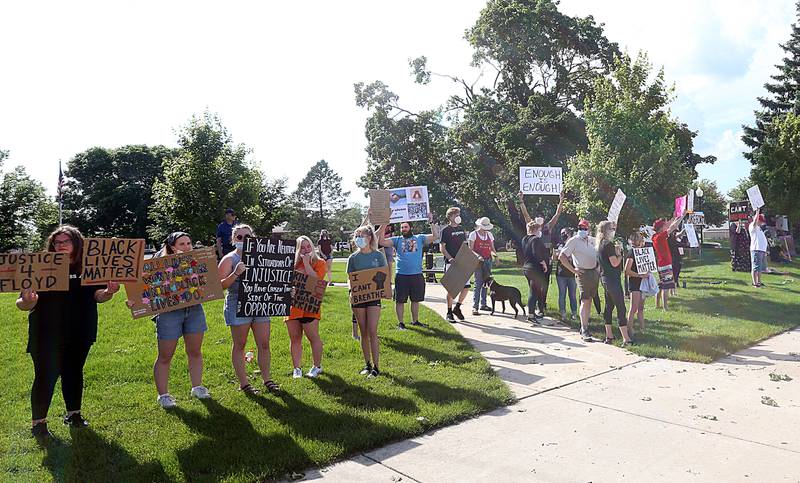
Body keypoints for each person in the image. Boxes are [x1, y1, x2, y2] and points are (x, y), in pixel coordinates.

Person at [16, 226, 120, 438]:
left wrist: (109, 292)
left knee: (74, 372)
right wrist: (28, 301)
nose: (61, 245)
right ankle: (39, 424)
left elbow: (98, 296)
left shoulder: (90, 266)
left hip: (81, 329)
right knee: (45, 375)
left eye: (67, 241)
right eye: (57, 242)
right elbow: (22, 303)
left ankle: (74, 414)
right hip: (45, 332)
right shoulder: (40, 266)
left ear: (77, 243)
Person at [151, 232, 211, 409]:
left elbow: (207, 283)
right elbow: (147, 287)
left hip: (194, 310)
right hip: (169, 313)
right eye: (182, 244)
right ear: (171, 247)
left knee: (195, 351)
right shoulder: (158, 264)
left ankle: (197, 387)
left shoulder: (196, 261)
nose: (187, 247)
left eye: (189, 243)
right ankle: (163, 395)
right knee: (165, 356)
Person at [218, 224, 279, 394]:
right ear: (233, 240)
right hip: (237, 303)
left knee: (264, 343)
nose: (244, 240)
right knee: (240, 344)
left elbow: (274, 278)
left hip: (260, 302)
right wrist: (236, 273)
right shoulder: (229, 259)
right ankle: (244, 383)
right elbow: (219, 286)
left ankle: (268, 380)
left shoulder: (263, 256)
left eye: (247, 236)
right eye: (239, 237)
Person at [378, 215, 440, 330]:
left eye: (405, 227)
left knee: (416, 300)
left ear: (411, 228)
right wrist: (384, 225)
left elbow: (436, 236)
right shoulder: (397, 239)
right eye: (402, 228)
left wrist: (431, 221)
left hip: (416, 275)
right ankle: (401, 323)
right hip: (401, 275)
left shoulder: (420, 238)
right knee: (400, 301)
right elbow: (381, 241)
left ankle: (415, 321)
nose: (403, 229)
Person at [347, 225, 388, 378]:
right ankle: (367, 364)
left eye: (361, 235)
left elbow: (384, 275)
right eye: (357, 235)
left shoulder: (378, 256)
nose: (359, 238)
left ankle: (377, 366)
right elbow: (350, 278)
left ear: (369, 238)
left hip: (373, 298)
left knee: (372, 331)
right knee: (363, 332)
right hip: (358, 298)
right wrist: (351, 291)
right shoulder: (353, 258)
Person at [286, 235, 328, 378]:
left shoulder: (320, 262)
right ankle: (297, 368)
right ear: (297, 249)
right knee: (295, 338)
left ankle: (317, 366)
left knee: (313, 337)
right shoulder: (292, 264)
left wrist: (306, 263)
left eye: (308, 246)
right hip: (293, 306)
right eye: (302, 247)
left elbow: (315, 280)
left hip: (310, 305)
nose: (305, 249)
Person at [518, 191, 565, 310]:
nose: (539, 219)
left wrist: (561, 201)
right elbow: (525, 214)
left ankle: (542, 304)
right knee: (534, 285)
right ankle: (535, 304)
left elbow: (557, 215)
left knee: (544, 284)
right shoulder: (532, 227)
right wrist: (521, 201)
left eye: (541, 217)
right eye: (537, 217)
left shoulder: (548, 228)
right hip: (534, 262)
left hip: (546, 261)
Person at [558, 219, 598, 342]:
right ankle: (584, 328)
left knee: (589, 300)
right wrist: (574, 270)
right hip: (582, 272)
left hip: (594, 272)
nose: (582, 231)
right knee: (585, 300)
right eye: (580, 228)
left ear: (589, 229)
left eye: (585, 228)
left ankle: (585, 323)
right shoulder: (573, 241)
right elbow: (562, 257)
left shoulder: (593, 240)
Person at [596, 221, 633, 345]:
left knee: (609, 307)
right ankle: (626, 338)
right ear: (607, 230)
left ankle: (609, 335)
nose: (613, 231)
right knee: (620, 308)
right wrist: (620, 254)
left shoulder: (601, 244)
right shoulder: (608, 244)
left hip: (606, 278)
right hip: (612, 280)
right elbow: (615, 263)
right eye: (611, 229)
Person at [440, 207, 470, 323]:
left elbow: (464, 245)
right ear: (451, 216)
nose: (459, 216)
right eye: (457, 214)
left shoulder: (462, 229)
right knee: (452, 289)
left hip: (462, 262)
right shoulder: (445, 230)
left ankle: (457, 307)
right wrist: (450, 258)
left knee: (466, 287)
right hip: (451, 263)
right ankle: (449, 311)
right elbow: (442, 247)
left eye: (459, 214)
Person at [520, 219, 550, 323]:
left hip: (526, 267)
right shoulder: (536, 240)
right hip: (535, 269)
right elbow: (536, 253)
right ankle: (531, 315)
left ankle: (533, 312)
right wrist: (543, 263)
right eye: (539, 229)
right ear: (536, 229)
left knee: (534, 291)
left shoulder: (524, 239)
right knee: (534, 292)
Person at [652, 216, 683, 310]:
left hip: (661, 263)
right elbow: (672, 227)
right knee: (666, 286)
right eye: (664, 226)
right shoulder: (660, 237)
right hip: (665, 264)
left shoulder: (654, 237)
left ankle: (657, 304)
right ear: (661, 228)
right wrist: (682, 216)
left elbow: (670, 226)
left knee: (661, 285)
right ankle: (665, 307)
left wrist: (675, 217)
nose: (666, 227)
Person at [468, 217, 498, 316]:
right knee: (478, 283)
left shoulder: (489, 235)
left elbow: (492, 248)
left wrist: (496, 256)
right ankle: (474, 307)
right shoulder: (473, 234)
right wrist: (478, 256)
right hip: (478, 262)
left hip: (488, 261)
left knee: (486, 283)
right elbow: (470, 249)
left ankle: (483, 304)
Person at [625, 232, 649, 334]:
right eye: (641, 239)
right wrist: (640, 275)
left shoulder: (643, 252)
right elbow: (627, 270)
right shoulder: (631, 253)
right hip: (635, 283)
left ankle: (642, 328)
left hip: (643, 282)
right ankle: (629, 328)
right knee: (633, 308)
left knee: (641, 308)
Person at [555, 227, 578, 322]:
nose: (563, 235)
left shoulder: (574, 244)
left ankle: (574, 313)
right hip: (561, 274)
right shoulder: (560, 245)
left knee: (572, 294)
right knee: (562, 294)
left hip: (572, 273)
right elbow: (557, 257)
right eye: (562, 233)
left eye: (564, 233)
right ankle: (563, 313)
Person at [749, 209, 768, 288]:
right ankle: (754, 282)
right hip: (756, 249)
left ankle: (759, 282)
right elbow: (754, 221)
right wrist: (757, 212)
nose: (762, 223)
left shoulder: (759, 228)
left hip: (761, 250)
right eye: (761, 221)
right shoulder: (752, 226)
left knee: (760, 268)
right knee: (756, 267)